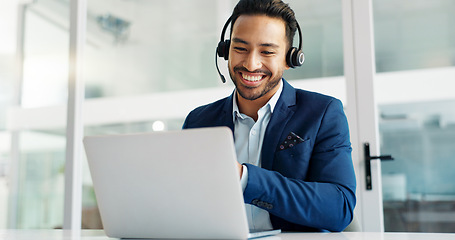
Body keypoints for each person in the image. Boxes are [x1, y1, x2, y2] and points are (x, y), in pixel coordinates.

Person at [183, 0, 356, 232]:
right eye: (240, 48)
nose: (251, 63)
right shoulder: (198, 121)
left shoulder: (323, 113)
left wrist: (245, 178)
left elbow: (339, 207)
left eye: (267, 51)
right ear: (225, 51)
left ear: (290, 58)